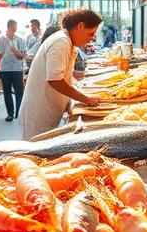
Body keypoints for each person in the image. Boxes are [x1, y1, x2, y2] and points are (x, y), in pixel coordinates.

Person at [18, 10, 102, 139]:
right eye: (90, 34)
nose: (91, 39)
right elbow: (55, 80)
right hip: (39, 114)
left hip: (49, 111)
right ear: (80, 26)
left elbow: (65, 75)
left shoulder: (68, 42)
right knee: (35, 154)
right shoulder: (60, 42)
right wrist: (85, 99)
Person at [0, 19, 26, 122]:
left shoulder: (20, 39)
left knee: (19, 92)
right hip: (4, 69)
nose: (15, 29)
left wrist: (15, 52)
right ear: (9, 26)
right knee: (7, 92)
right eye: (13, 27)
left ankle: (19, 113)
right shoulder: (1, 38)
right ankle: (10, 113)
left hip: (17, 69)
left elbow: (22, 56)